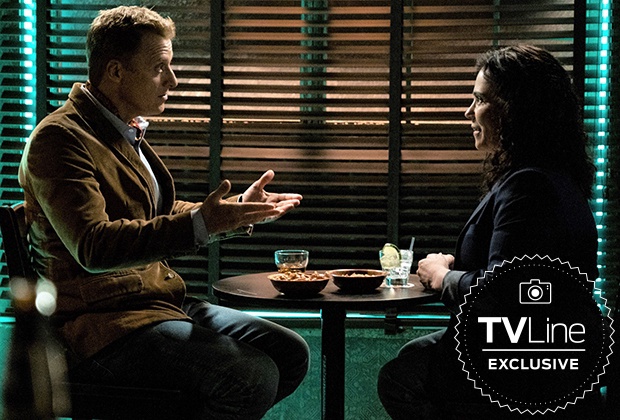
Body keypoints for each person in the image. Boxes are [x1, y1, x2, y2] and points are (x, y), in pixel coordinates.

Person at [18, 6, 309, 419]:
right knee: (249, 376)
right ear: (115, 72)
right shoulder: (60, 139)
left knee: (289, 353)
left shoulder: (119, 129)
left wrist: (235, 213)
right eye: (160, 68)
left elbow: (153, 210)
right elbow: (93, 245)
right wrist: (200, 224)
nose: (172, 80)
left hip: (153, 305)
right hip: (99, 326)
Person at [377, 45, 599, 419]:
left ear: (515, 111)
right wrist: (459, 264)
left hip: (522, 364)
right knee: (412, 359)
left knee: (400, 379)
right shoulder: (554, 177)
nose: (468, 112)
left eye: (480, 100)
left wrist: (443, 276)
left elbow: (507, 294)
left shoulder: (529, 186)